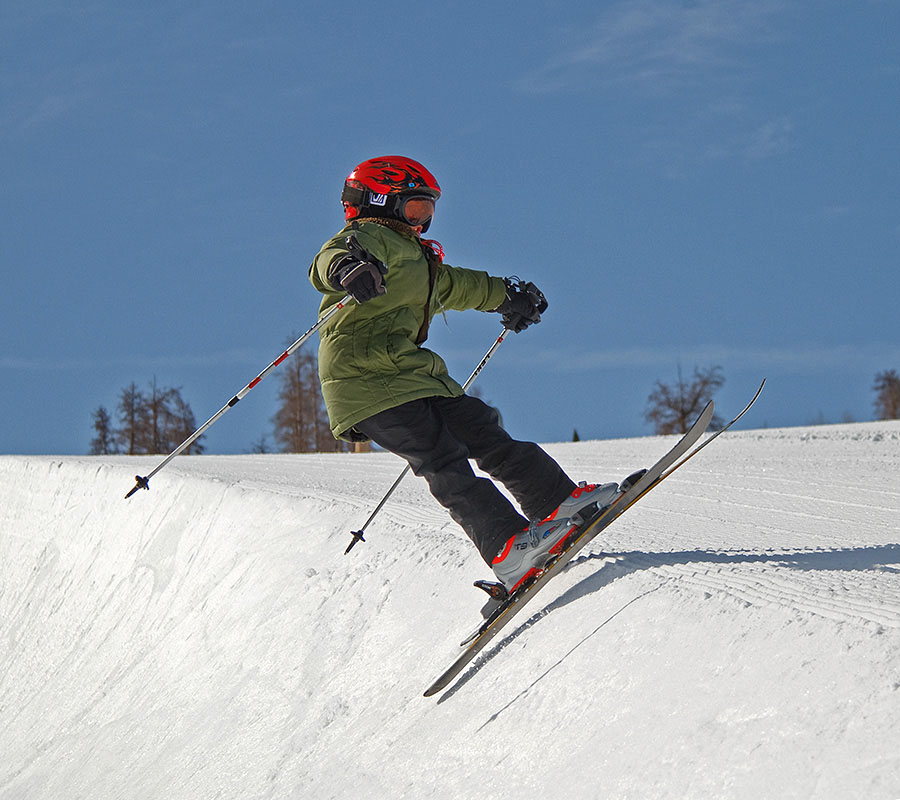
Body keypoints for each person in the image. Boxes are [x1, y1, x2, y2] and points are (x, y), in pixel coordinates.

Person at [309, 155, 623, 595]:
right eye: (416, 209)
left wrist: (506, 297)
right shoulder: (368, 238)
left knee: (483, 430)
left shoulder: (420, 263)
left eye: (429, 213)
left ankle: (555, 501)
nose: (423, 222)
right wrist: (349, 268)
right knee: (442, 460)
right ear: (379, 201)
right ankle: (508, 547)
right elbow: (329, 259)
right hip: (363, 381)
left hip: (412, 376)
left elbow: (461, 286)